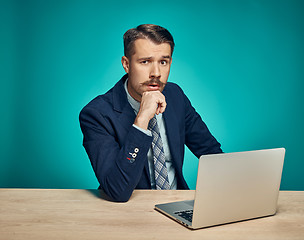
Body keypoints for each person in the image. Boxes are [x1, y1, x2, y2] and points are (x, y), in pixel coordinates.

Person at [79, 24, 222, 202]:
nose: (156, 73)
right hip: (129, 212)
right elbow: (117, 190)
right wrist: (142, 119)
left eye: (163, 62)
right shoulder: (96, 114)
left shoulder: (175, 95)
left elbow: (212, 154)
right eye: (145, 62)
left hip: (178, 204)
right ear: (126, 64)